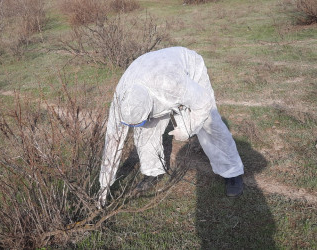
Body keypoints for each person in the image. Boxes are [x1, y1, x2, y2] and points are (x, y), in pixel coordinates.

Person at [98, 47, 244, 207]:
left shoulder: (172, 85)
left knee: (210, 123)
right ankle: (153, 172)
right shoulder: (122, 98)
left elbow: (203, 103)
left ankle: (232, 172)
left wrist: (188, 130)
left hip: (186, 68)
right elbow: (113, 139)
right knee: (144, 131)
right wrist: (103, 188)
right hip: (147, 70)